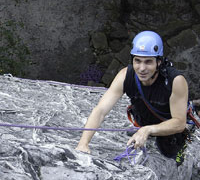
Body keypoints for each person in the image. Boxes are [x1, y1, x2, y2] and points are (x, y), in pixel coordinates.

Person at [75, 31, 189, 159]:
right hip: (142, 121)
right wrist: (83, 144)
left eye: (148, 62)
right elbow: (100, 110)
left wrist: (148, 130)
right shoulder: (126, 75)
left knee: (171, 153)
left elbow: (179, 123)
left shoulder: (175, 81)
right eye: (137, 61)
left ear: (159, 62)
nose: (141, 68)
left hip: (168, 129)